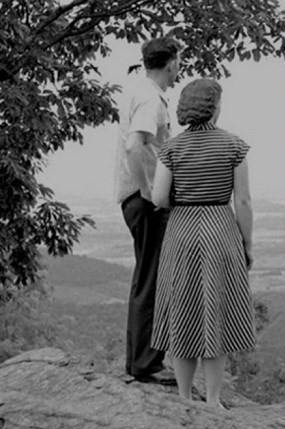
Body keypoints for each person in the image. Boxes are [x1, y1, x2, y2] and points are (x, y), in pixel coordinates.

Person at [150, 78, 256, 408]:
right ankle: (212, 400)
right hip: (220, 229)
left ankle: (184, 397)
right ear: (215, 107)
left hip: (181, 230)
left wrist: (183, 203)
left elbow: (158, 197)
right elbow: (244, 202)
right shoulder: (234, 145)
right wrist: (247, 244)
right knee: (217, 313)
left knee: (183, 310)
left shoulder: (171, 149)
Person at [114, 36, 181, 384]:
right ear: (171, 63)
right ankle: (146, 363)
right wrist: (149, 191)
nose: (178, 70)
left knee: (146, 276)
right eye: (178, 63)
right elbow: (134, 146)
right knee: (153, 279)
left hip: (135, 200)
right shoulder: (150, 99)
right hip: (144, 200)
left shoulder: (138, 91)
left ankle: (139, 361)